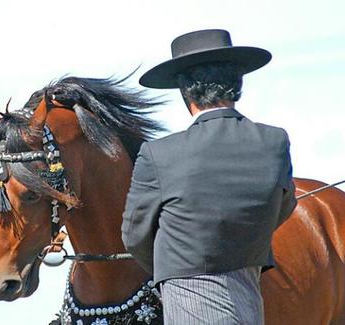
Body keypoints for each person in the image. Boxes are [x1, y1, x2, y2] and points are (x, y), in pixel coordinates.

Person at [121, 29, 297, 325]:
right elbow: (284, 205)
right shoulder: (274, 141)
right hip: (249, 288)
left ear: (185, 91)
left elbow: (135, 235)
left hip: (187, 293)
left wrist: (173, 265)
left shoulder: (159, 154)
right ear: (237, 83)